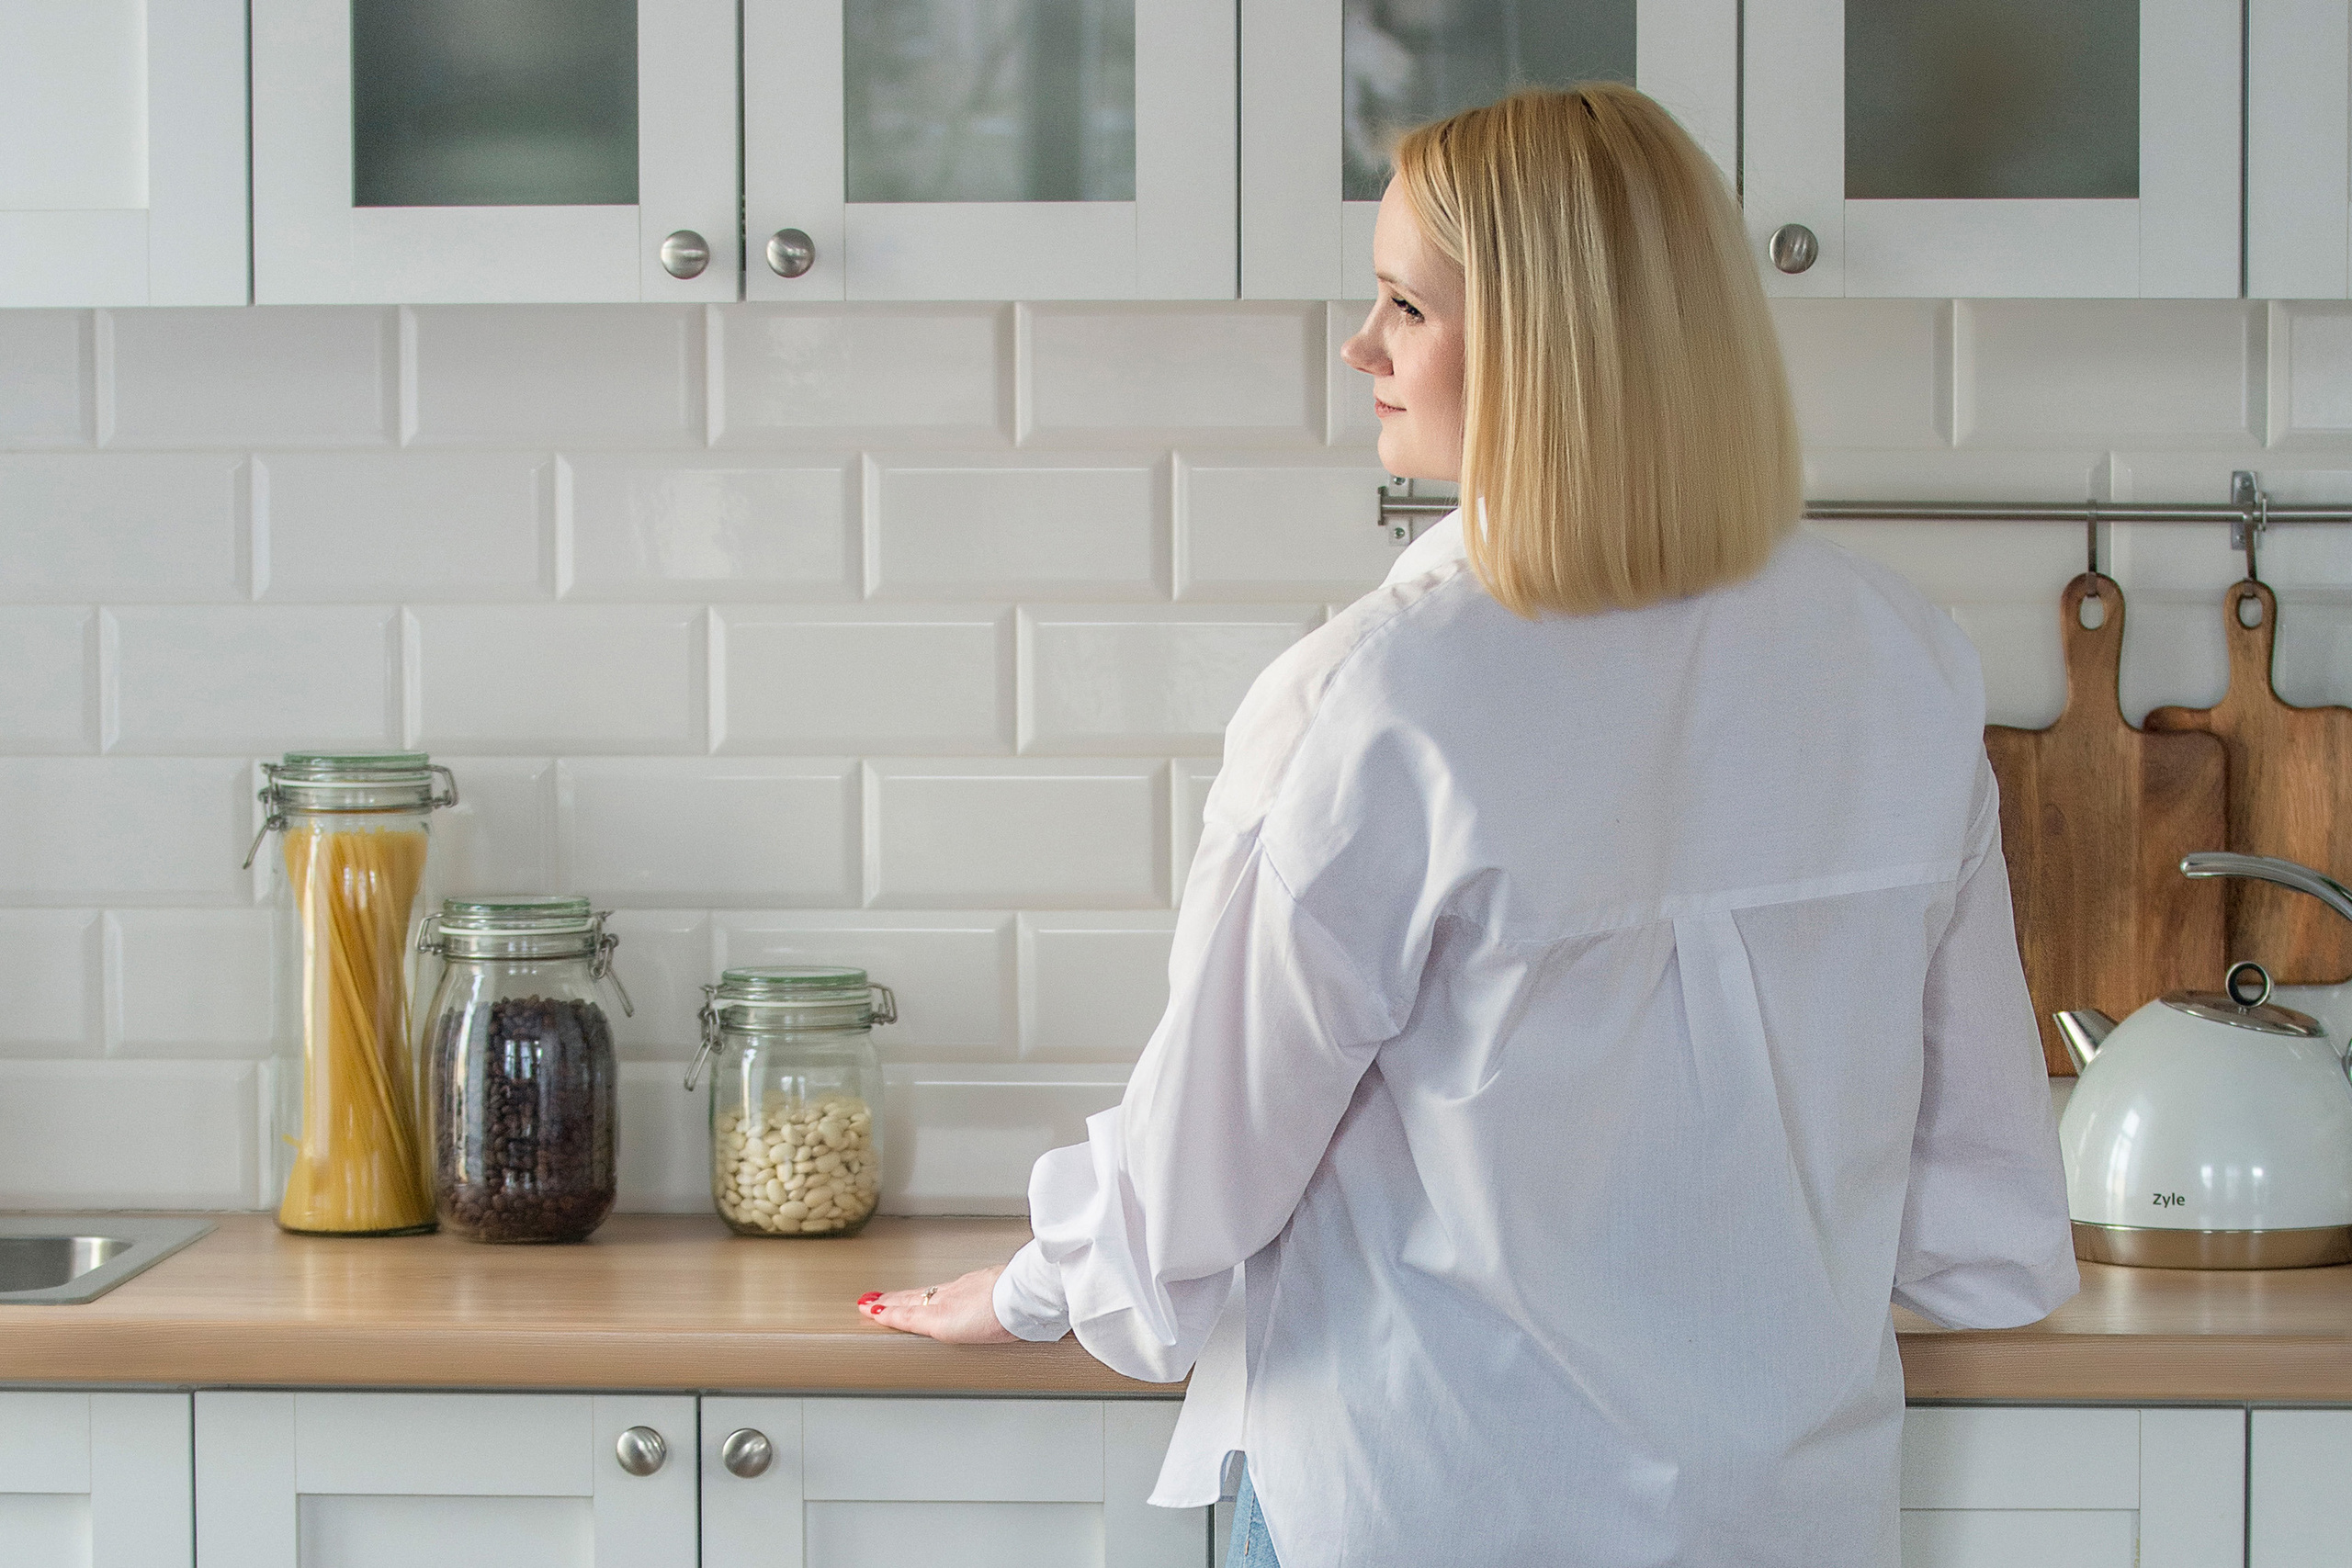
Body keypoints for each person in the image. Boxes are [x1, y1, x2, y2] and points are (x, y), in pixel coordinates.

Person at [859, 83, 2075, 1567]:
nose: (1363, 347)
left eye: (1405, 307)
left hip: (1418, 1501)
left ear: (1551, 344)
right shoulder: (1904, 662)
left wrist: (1041, 1283)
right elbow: (1979, 1211)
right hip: (1782, 1523)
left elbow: (1205, 1168)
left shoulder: (1378, 701)